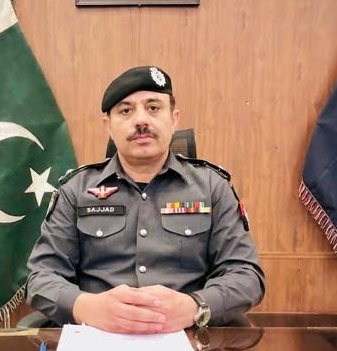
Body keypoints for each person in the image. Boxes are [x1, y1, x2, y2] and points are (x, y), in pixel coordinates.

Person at [26, 65, 265, 333]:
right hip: (97, 337)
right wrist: (87, 307)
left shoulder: (212, 188)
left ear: (174, 119)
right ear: (108, 126)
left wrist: (195, 307)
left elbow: (246, 276)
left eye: (153, 108)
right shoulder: (75, 191)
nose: (141, 121)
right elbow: (41, 277)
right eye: (125, 111)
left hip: (188, 337)